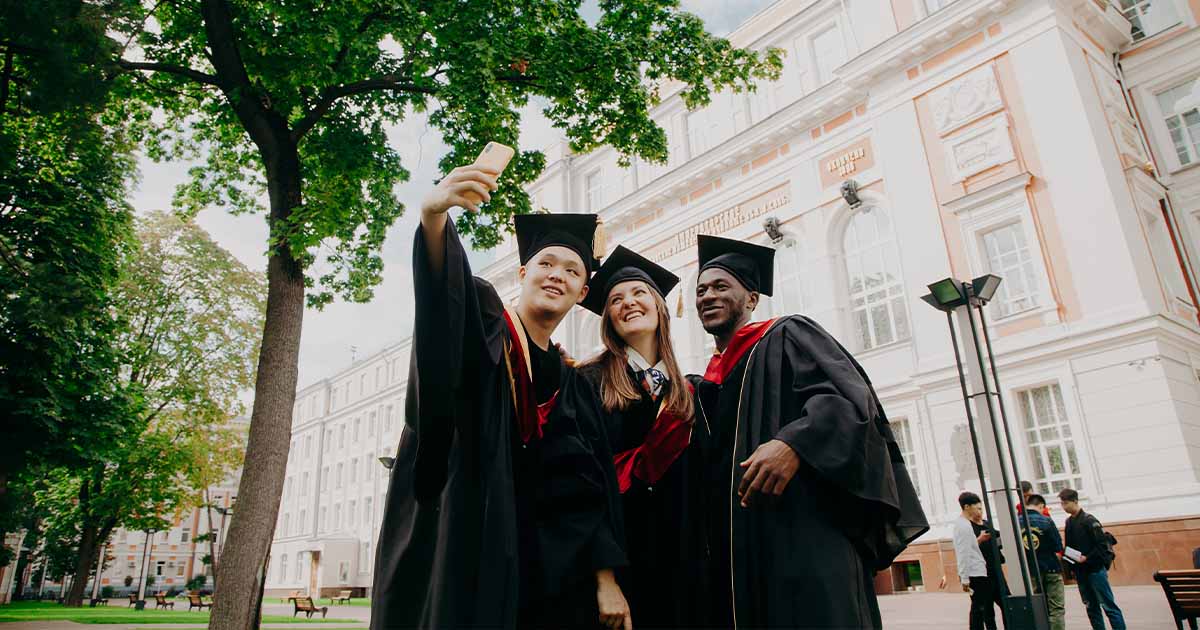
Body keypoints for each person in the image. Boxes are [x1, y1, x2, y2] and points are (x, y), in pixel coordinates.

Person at [370, 164, 630, 630]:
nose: (557, 275)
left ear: (583, 290)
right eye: (546, 264)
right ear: (524, 271)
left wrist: (605, 577)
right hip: (458, 534)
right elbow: (442, 303)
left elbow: (588, 491)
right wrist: (433, 221)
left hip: (535, 565)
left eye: (572, 270)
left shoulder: (574, 386)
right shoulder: (486, 322)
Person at [688, 235, 928, 628]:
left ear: (751, 299)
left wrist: (794, 443)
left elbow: (848, 400)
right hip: (744, 553)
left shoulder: (787, 335)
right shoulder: (709, 384)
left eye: (720, 286)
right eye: (701, 290)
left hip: (806, 536)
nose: (707, 296)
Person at [577, 245, 709, 629]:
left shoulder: (688, 394)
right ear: (608, 319)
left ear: (660, 306)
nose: (628, 303)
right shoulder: (588, 384)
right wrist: (605, 579)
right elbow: (580, 486)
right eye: (616, 299)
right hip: (622, 572)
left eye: (639, 293)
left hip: (683, 572)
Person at [1060, 487, 1125, 630]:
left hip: (1095, 570)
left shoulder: (1089, 520)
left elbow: (1101, 545)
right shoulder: (1069, 522)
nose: (1063, 506)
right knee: (1091, 606)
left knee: (1108, 606)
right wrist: (1071, 567)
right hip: (1080, 572)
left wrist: (1087, 558)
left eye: (1066, 503)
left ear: (1075, 501)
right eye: (1062, 503)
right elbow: (1069, 546)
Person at [953, 492, 1000, 630]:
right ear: (967, 507)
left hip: (977, 571)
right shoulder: (963, 526)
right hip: (975, 573)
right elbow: (963, 553)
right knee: (978, 609)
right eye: (976, 507)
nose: (978, 510)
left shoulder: (964, 524)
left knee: (980, 608)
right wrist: (964, 577)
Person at [1021, 494, 1065, 630]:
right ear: (1041, 505)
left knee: (1035, 607)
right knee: (1056, 608)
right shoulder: (1046, 521)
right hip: (1051, 568)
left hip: (1030, 571)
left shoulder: (1015, 521)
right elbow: (1058, 546)